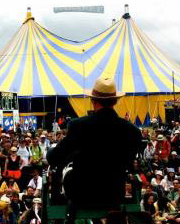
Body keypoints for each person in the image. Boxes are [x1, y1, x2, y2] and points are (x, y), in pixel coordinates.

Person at [47, 77, 140, 208]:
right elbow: (129, 163)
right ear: (115, 101)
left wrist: (51, 151)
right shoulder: (132, 131)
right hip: (114, 194)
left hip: (82, 195)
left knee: (66, 174)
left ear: (93, 100)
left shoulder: (78, 126)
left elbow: (54, 158)